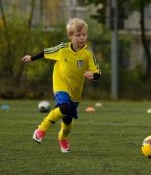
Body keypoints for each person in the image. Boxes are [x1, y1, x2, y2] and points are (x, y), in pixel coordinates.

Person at [22, 18, 101, 153]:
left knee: (67, 122)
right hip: (60, 84)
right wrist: (31, 58)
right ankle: (41, 129)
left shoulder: (88, 53)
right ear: (70, 36)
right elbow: (45, 52)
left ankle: (62, 138)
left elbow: (97, 71)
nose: (82, 38)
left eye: (84, 34)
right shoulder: (62, 49)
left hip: (75, 92)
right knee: (64, 106)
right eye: (78, 35)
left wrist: (93, 76)